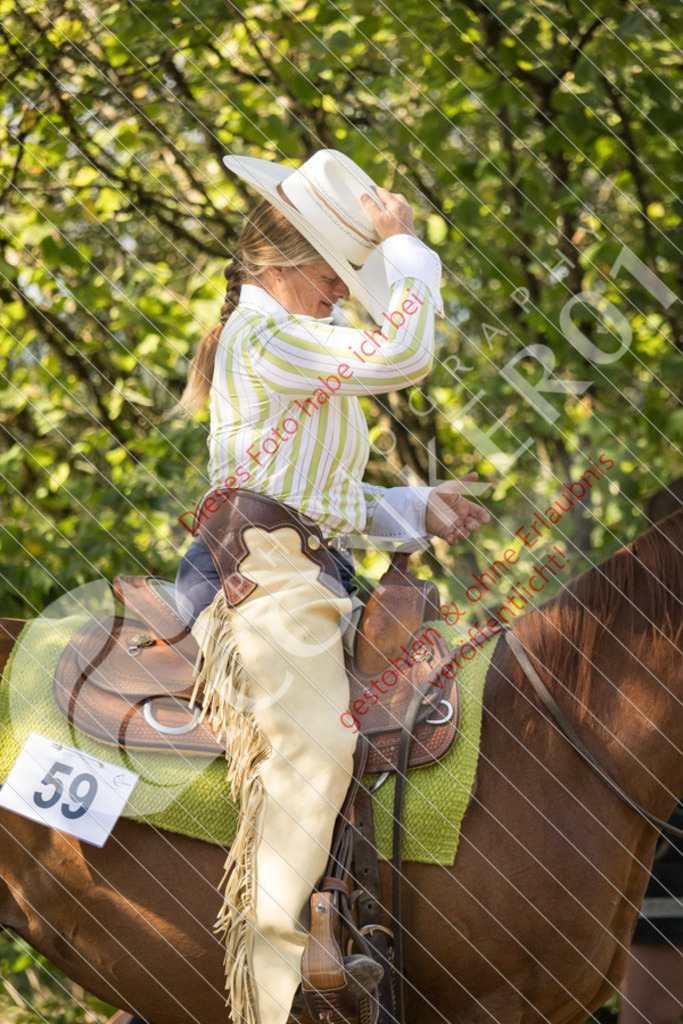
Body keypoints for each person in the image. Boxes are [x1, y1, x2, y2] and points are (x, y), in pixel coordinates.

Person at [175, 149, 490, 1024]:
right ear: (278, 263)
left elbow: (325, 501)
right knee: (315, 745)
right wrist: (403, 253)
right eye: (335, 272)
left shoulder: (285, 343)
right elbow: (402, 356)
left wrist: (411, 509)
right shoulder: (265, 333)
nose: (343, 290)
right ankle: (278, 997)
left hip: (308, 570)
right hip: (263, 580)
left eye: (354, 273)